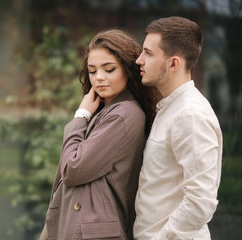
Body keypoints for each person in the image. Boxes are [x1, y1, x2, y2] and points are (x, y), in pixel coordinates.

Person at [39, 29, 160, 240]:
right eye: (92, 71)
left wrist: (81, 116)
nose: (99, 78)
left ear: (128, 70)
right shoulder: (108, 111)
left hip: (94, 232)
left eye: (109, 69)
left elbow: (72, 169)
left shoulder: (123, 114)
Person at [133, 16, 223, 240]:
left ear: (174, 63)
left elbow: (200, 202)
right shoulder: (170, 108)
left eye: (148, 53)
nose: (139, 60)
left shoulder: (189, 115)